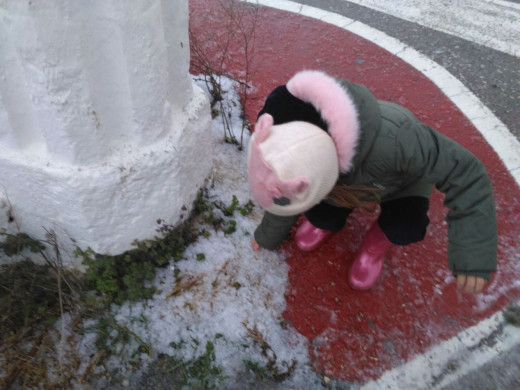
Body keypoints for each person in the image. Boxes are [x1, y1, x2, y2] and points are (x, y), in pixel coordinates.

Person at [248, 70, 497, 294]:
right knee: (321, 211)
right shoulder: (292, 147)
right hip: (341, 182)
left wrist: (473, 253)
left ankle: (375, 245)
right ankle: (325, 221)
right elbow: (282, 191)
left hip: (400, 183)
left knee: (406, 224)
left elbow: (465, 173)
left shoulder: (399, 140)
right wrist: (267, 236)